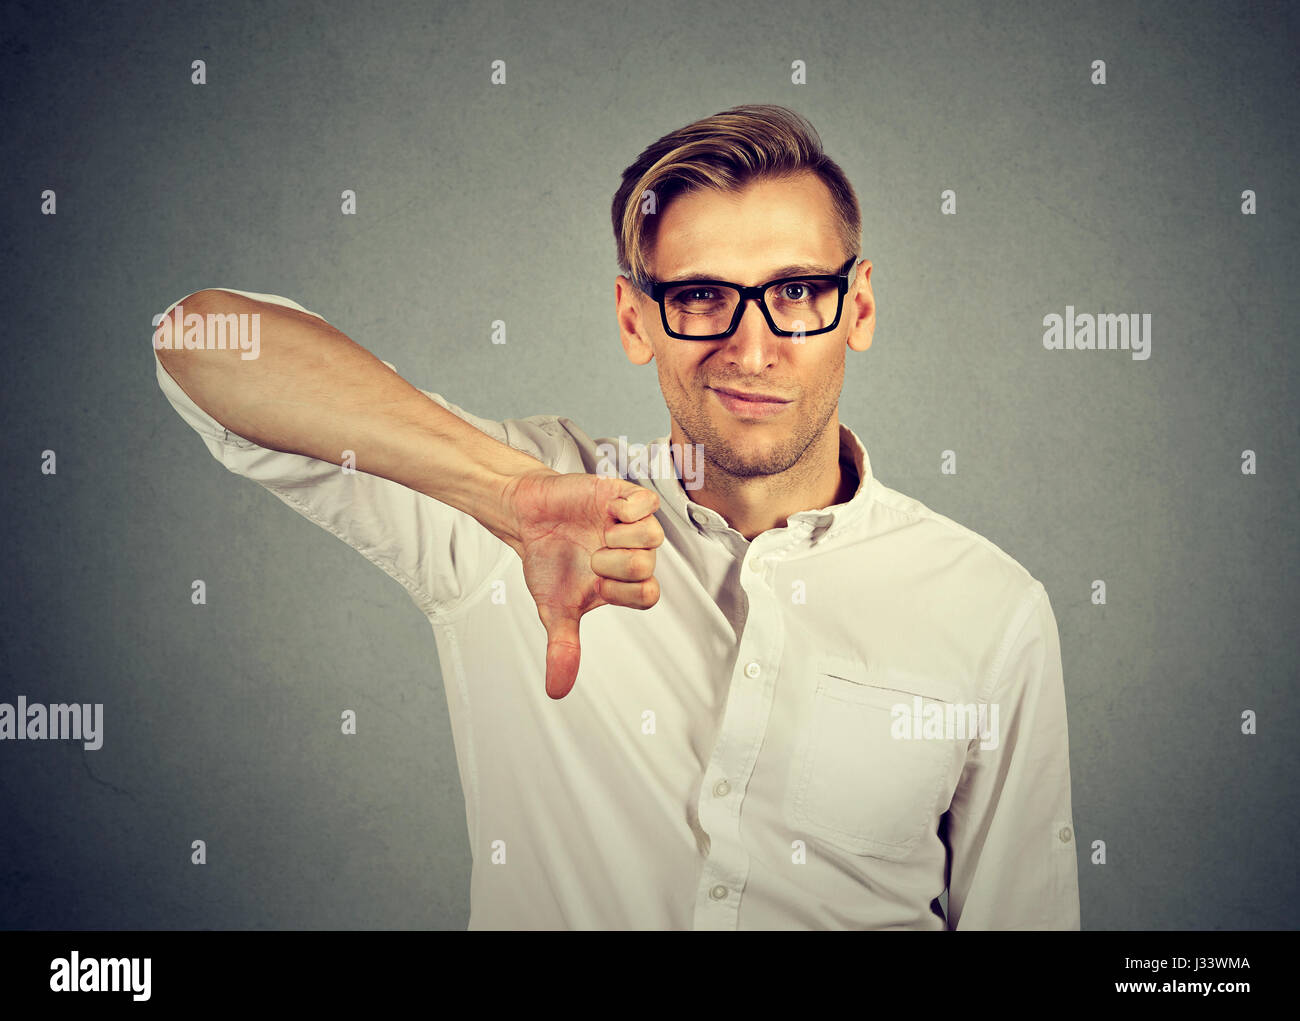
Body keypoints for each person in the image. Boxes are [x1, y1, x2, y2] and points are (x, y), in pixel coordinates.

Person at [152, 104, 1081, 930]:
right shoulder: (522, 506)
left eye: (796, 291)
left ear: (858, 305)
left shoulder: (991, 610)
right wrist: (504, 494)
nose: (751, 347)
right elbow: (199, 342)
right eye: (700, 296)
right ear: (637, 321)